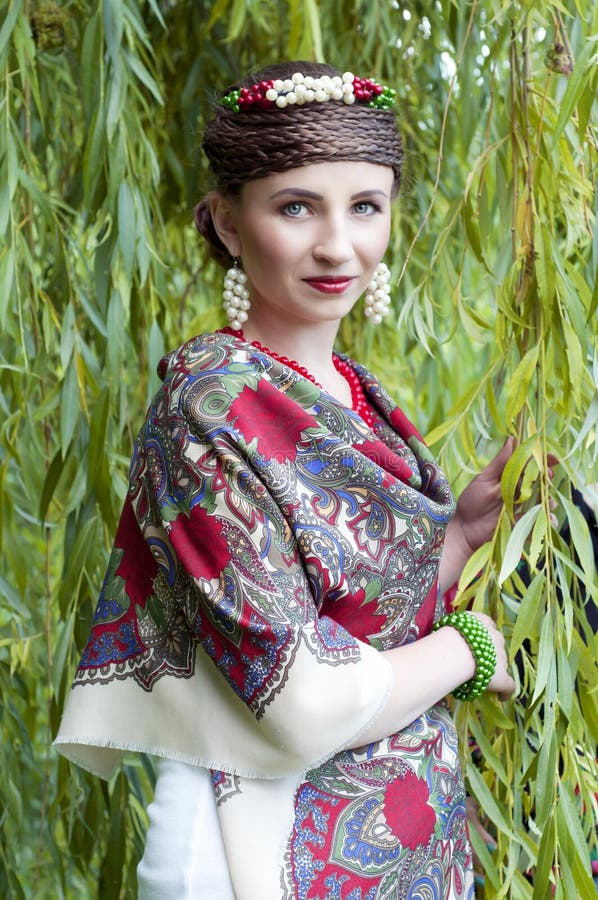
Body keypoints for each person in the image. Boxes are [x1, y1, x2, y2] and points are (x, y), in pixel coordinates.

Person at [55, 61, 516, 898]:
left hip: (398, 838)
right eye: (297, 206)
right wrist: (471, 650)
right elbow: (301, 699)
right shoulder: (209, 406)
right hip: (251, 846)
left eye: (365, 206)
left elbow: (365, 625)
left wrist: (458, 538)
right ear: (228, 223)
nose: (339, 246)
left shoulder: (359, 399)